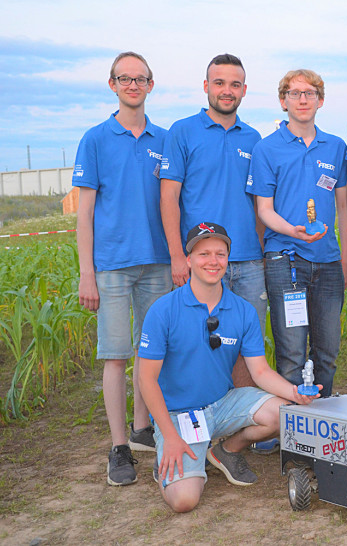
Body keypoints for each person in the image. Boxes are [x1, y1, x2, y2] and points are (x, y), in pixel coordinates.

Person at [138, 222, 320, 513]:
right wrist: (170, 437)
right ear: (188, 260)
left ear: (227, 259)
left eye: (220, 254)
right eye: (204, 254)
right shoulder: (163, 310)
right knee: (184, 500)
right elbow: (146, 379)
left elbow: (259, 372)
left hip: (222, 404)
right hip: (179, 416)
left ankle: (225, 451)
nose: (213, 261)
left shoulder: (242, 310)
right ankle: (168, 459)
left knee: (284, 415)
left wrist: (295, 393)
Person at [72, 51, 172, 486]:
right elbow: (84, 214)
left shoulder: (165, 140)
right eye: (124, 78)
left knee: (152, 353)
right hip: (111, 266)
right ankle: (119, 448)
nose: (133, 85)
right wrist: (86, 272)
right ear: (112, 84)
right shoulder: (95, 139)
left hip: (159, 263)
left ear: (151, 85)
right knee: (116, 357)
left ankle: (143, 429)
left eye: (141, 79)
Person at [247, 69, 347, 398]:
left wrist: (345, 259)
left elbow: (344, 208)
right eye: (294, 93)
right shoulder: (267, 149)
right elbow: (264, 209)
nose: (302, 99)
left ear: (320, 100)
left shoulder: (335, 147)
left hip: (328, 262)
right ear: (283, 101)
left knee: (328, 353)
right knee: (292, 353)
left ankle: (325, 429)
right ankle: (292, 431)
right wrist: (293, 230)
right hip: (285, 261)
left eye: (310, 93)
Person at [160, 53, 266, 339]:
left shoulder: (254, 138)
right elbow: (169, 197)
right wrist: (177, 256)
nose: (227, 91)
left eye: (235, 84)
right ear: (206, 86)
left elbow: (259, 203)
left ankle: (243, 388)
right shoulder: (182, 132)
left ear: (244, 90)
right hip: (201, 259)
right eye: (220, 83)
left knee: (247, 344)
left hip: (249, 262)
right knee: (197, 343)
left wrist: (262, 251)